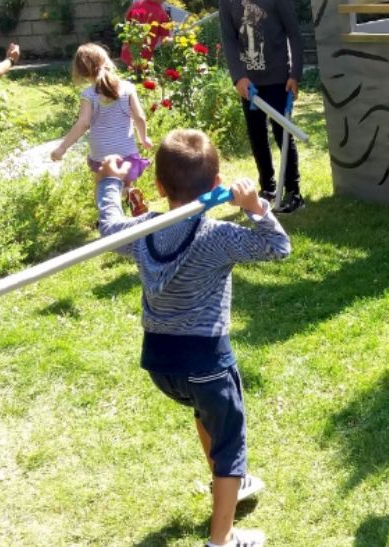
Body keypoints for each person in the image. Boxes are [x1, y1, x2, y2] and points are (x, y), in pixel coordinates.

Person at [96, 129, 292, 547]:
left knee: (207, 417)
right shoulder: (217, 236)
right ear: (216, 184)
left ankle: (231, 484)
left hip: (162, 365)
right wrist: (255, 208)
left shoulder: (144, 230)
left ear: (159, 186)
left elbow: (108, 228)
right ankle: (222, 540)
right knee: (230, 446)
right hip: (207, 365)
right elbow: (278, 247)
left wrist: (109, 182)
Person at [218, 0, 305, 213]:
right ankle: (267, 187)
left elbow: (294, 35)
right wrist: (239, 77)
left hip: (278, 80)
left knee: (283, 134)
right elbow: (230, 41)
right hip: (250, 85)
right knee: (257, 136)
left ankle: (293, 191)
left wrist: (294, 75)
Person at [51, 43, 152, 215]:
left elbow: (83, 123)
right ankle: (129, 193)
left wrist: (62, 148)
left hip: (101, 152)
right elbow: (139, 117)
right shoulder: (127, 88)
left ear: (81, 71)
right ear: (107, 61)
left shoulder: (89, 94)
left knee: (103, 188)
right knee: (125, 183)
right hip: (126, 148)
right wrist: (144, 138)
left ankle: (107, 218)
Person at [120, 0, 172, 69]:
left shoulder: (136, 5)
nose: (165, 0)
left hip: (126, 55)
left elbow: (126, 21)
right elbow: (165, 40)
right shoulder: (161, 14)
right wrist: (174, 38)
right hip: (142, 61)